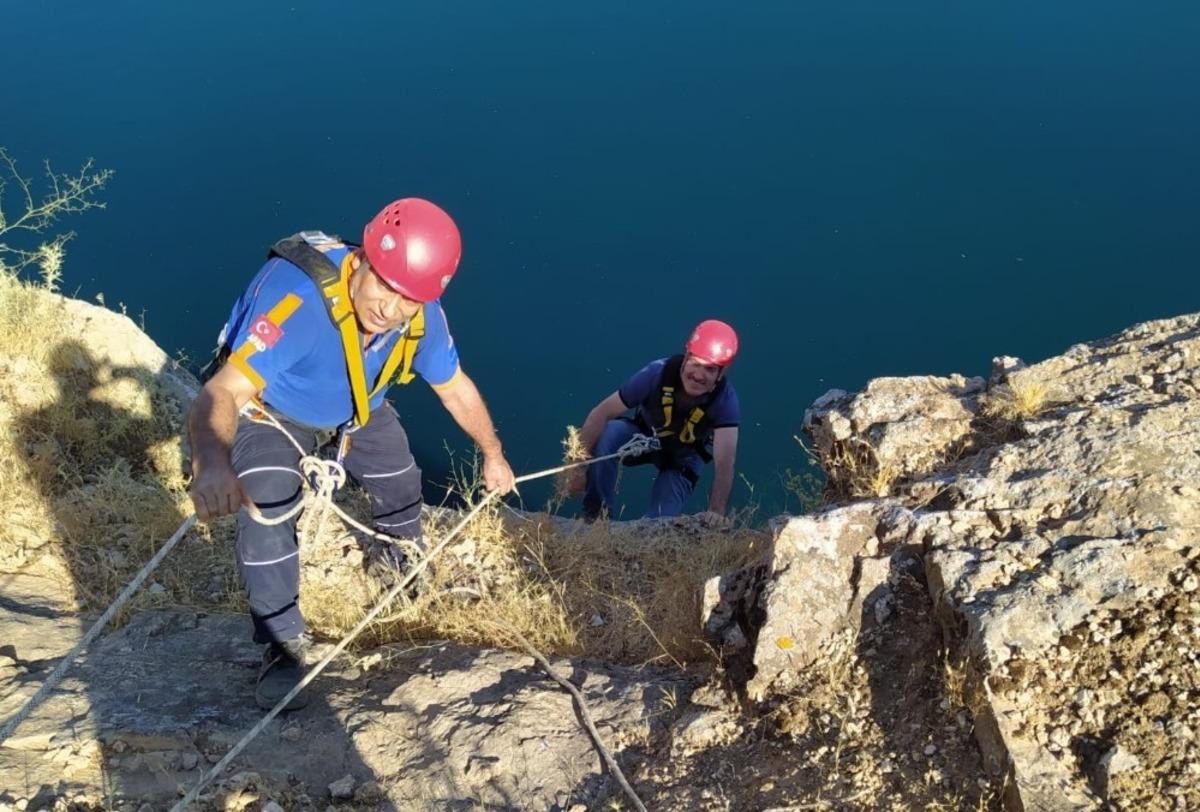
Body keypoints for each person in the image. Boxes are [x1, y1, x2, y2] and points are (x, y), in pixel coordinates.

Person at [187, 198, 515, 710]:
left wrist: (493, 454)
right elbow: (222, 393)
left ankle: (400, 566)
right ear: (360, 260)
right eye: (384, 286)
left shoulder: (420, 316)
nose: (390, 308)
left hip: (359, 407)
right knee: (267, 503)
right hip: (276, 410)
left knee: (403, 480)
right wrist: (213, 463)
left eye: (407, 299)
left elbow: (454, 388)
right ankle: (282, 645)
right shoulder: (296, 303)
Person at [569, 320, 740, 523]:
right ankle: (595, 519)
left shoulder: (726, 402)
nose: (698, 376)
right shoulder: (656, 373)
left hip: (683, 458)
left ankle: (650, 534)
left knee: (660, 522)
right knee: (610, 432)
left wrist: (716, 511)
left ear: (722, 373)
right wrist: (577, 468)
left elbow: (725, 462)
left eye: (710, 370)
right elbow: (600, 413)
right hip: (643, 437)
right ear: (686, 357)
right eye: (695, 363)